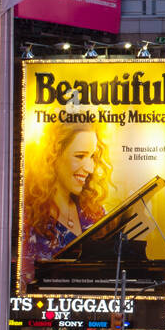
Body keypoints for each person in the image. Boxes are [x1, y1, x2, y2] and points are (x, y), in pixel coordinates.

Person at [21, 120, 113, 287]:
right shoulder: (28, 217)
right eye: (80, 156)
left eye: (92, 157)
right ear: (53, 156)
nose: (90, 168)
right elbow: (25, 283)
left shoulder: (95, 212)